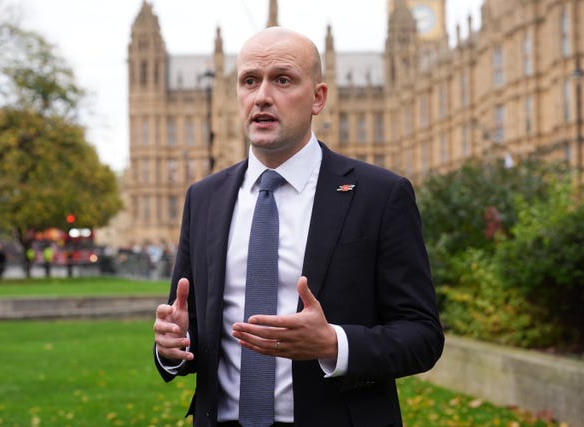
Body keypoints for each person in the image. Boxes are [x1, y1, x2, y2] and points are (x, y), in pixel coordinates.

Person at [153, 27, 444, 427]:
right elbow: (188, 330)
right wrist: (171, 348)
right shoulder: (204, 198)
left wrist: (333, 344)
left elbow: (422, 336)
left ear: (318, 98)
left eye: (283, 80)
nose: (262, 97)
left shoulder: (380, 195)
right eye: (250, 81)